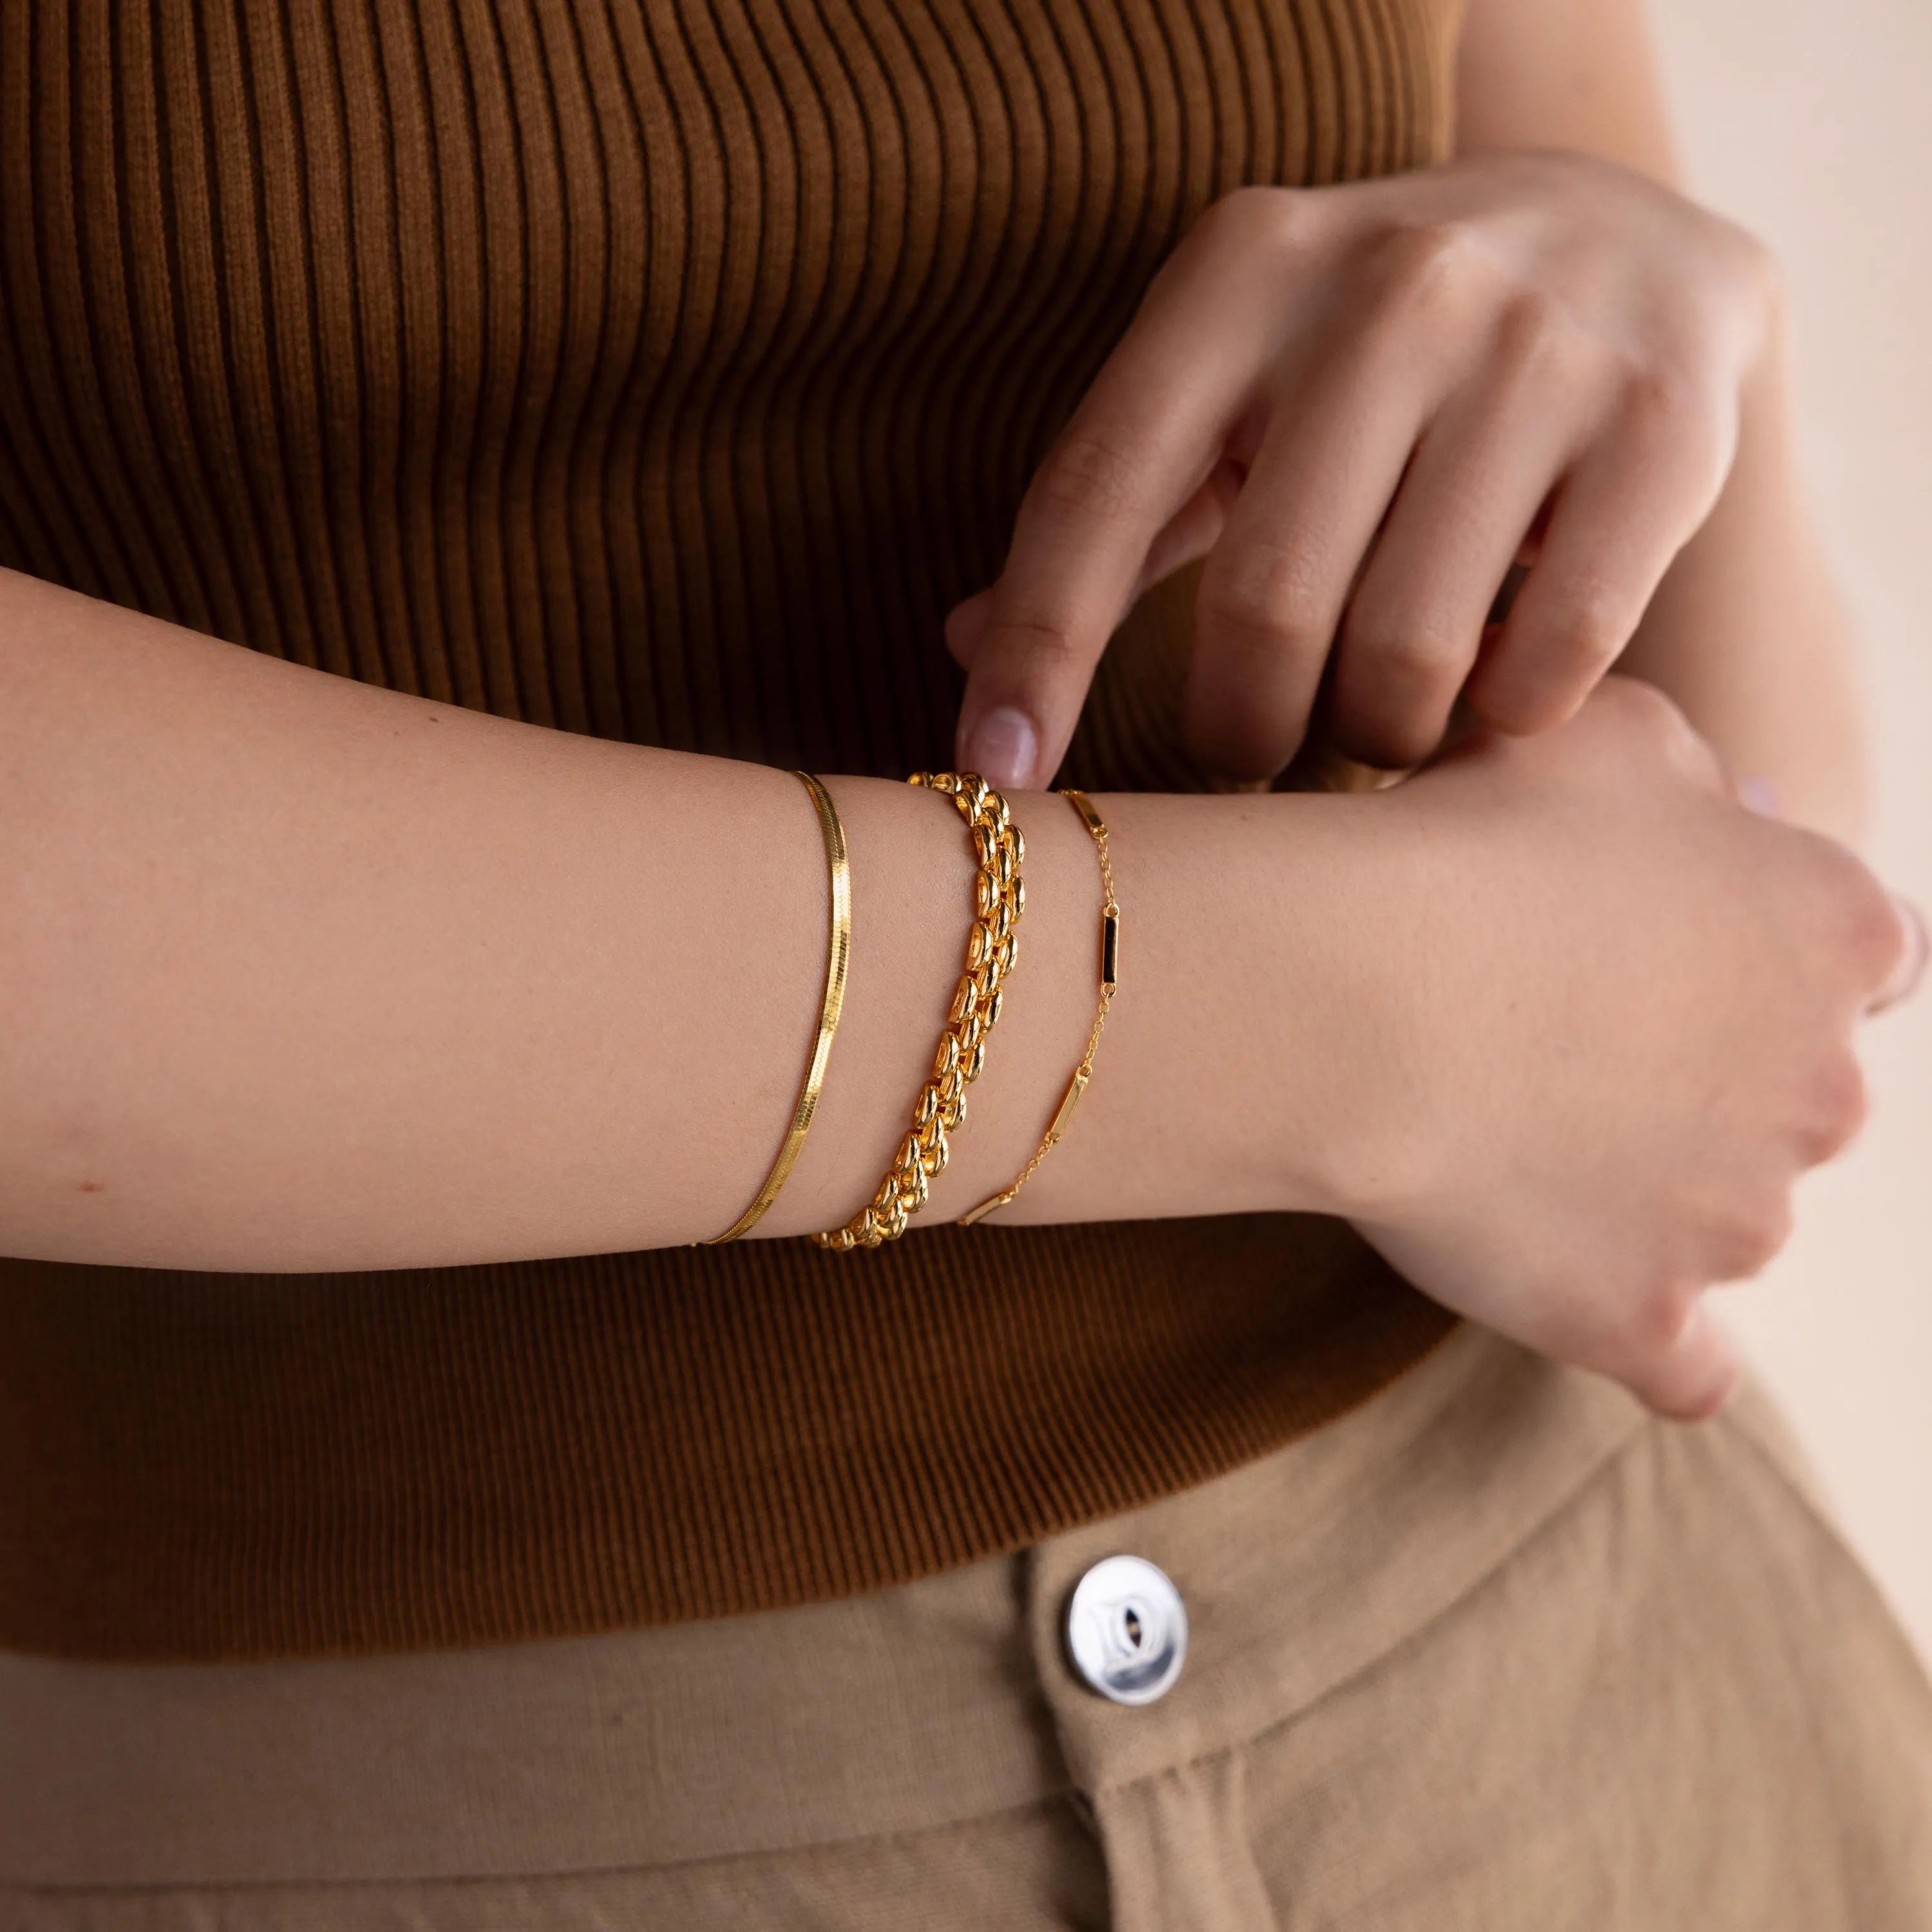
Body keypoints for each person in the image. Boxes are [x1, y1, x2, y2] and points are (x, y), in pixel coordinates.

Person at [1, 0, 1927, 1922]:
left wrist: (1672, 301)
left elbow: (1753, 857)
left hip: (1622, 1681)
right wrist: (1357, 1024)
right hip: (456, 1807)